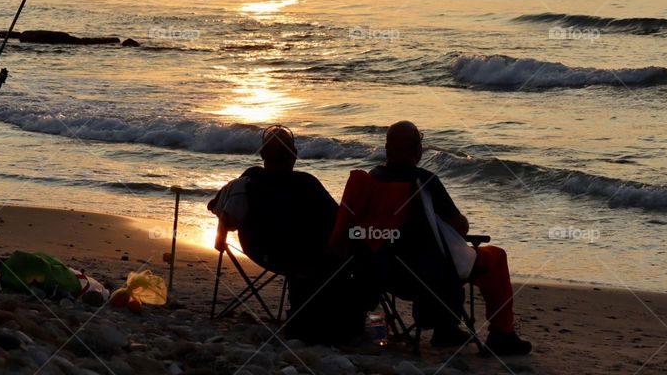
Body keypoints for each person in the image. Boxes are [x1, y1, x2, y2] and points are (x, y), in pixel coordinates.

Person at [370, 120, 532, 355]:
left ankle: (446, 329)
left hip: (387, 273)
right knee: (495, 257)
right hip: (429, 275)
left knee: (432, 254)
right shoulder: (423, 181)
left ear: (387, 149)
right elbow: (460, 228)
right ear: (418, 150)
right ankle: (501, 335)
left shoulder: (371, 179)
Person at [208, 125, 361, 343]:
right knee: (340, 258)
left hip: (258, 250)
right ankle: (332, 320)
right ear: (295, 156)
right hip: (305, 256)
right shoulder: (306, 183)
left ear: (262, 155)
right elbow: (338, 221)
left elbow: (215, 205)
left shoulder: (248, 180)